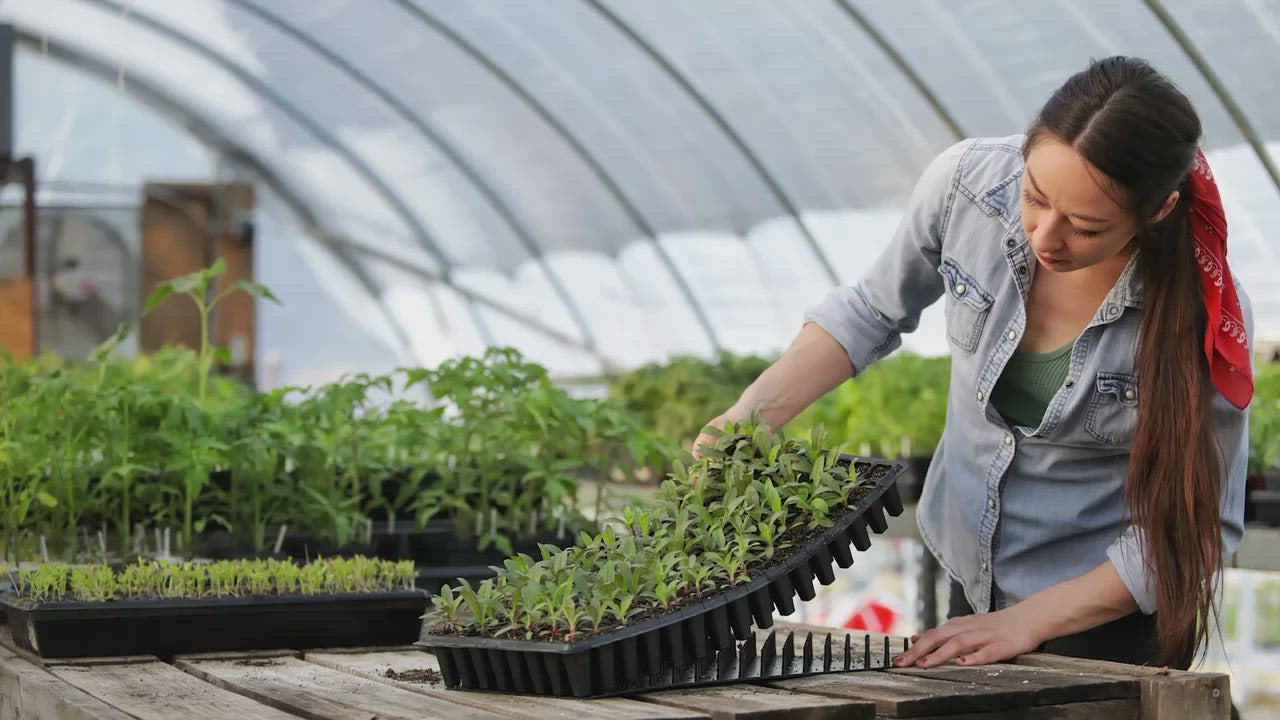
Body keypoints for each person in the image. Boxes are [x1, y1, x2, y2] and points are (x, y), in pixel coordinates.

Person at [693, 56, 1252, 677]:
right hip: (969, 576)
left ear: (1157, 211)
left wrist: (1028, 622)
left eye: (1087, 227)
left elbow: (1199, 531)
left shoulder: (1201, 314)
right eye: (1035, 197)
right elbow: (869, 311)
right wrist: (748, 416)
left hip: (1099, 619)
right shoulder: (967, 188)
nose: (1045, 235)